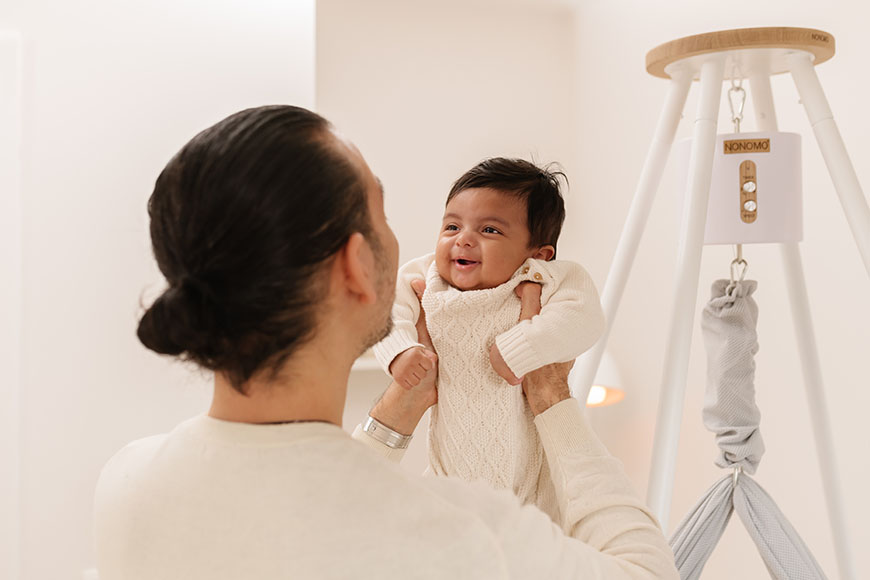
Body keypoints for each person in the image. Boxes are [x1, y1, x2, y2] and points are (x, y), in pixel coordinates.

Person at [93, 104, 678, 579]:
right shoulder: (462, 532)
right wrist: (551, 396)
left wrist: (399, 411)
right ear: (354, 265)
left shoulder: (128, 483)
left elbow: (308, 508)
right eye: (382, 210)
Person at [372, 158, 605, 520]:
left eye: (490, 230)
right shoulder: (427, 278)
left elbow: (585, 317)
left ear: (537, 254)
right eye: (451, 226)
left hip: (532, 492)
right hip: (450, 480)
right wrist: (401, 349)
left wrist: (523, 347)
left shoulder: (543, 278)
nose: (463, 239)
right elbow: (388, 307)